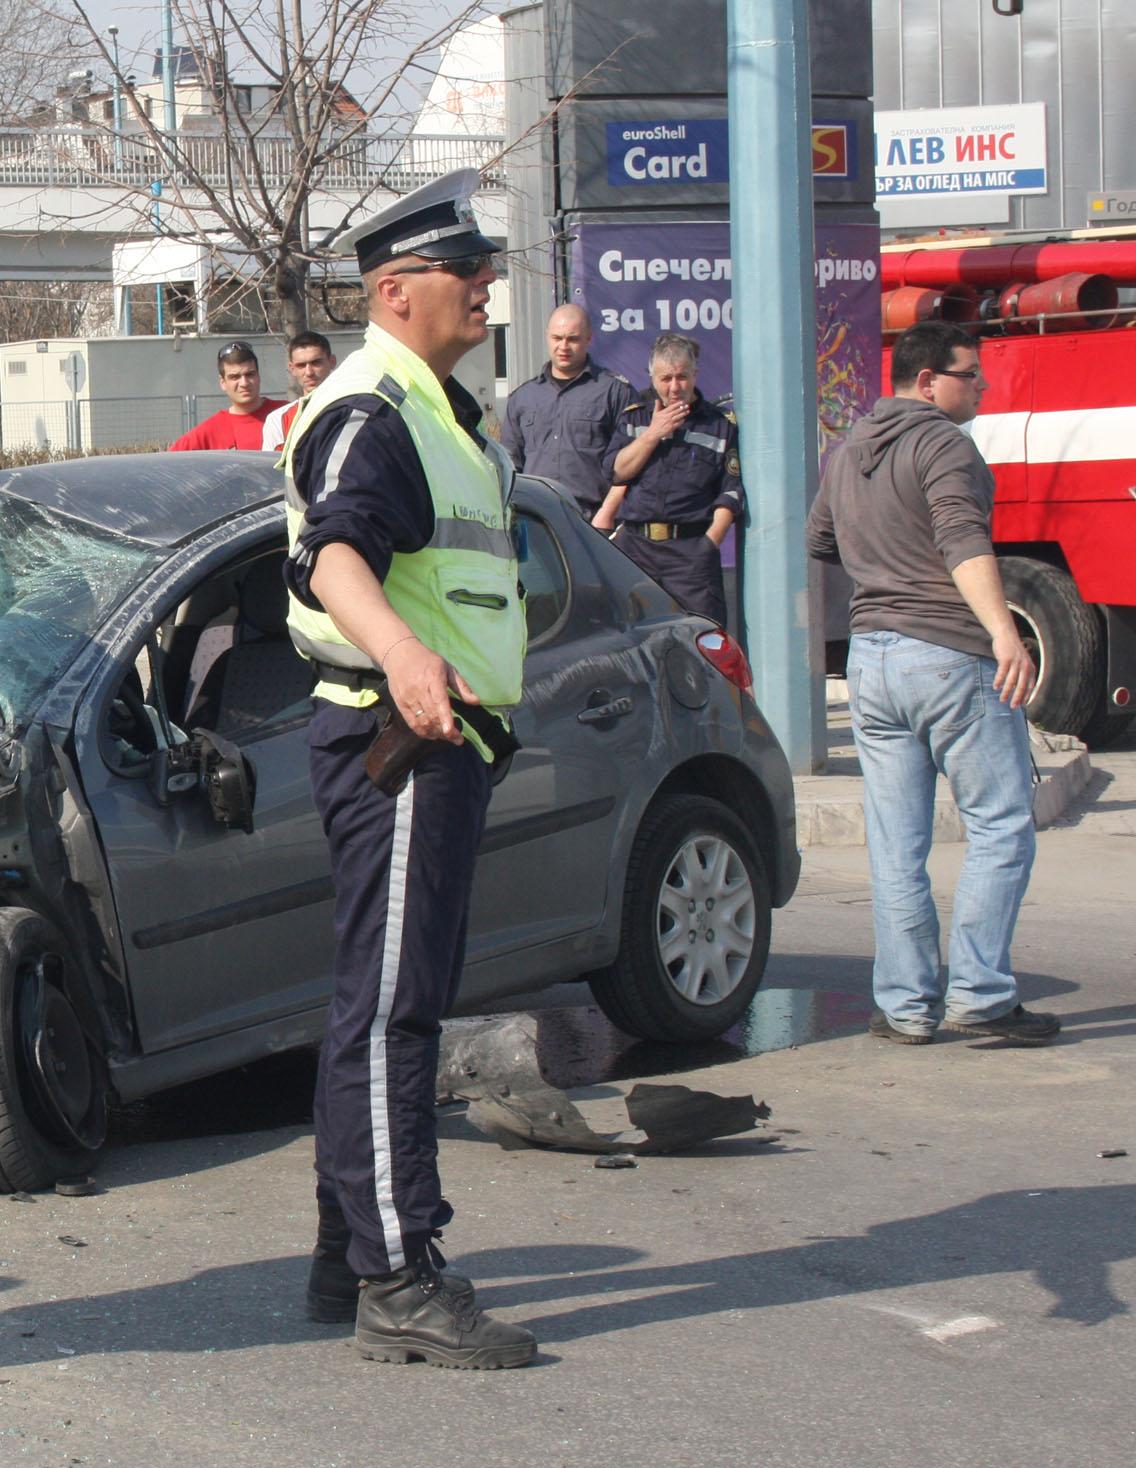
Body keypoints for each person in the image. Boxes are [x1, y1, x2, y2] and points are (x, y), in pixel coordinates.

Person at [281, 169, 537, 1370]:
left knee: (375, 1001)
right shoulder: (374, 408)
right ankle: (397, 1276)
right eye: (464, 272)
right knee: (394, 1012)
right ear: (394, 291)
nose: (485, 286)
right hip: (403, 743)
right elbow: (331, 558)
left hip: (434, 740)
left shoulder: (436, 405)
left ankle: (351, 1249)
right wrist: (404, 659)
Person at [807, 321, 1059, 1048]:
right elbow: (962, 539)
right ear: (926, 382)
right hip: (948, 654)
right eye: (969, 374)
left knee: (896, 844)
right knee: (1003, 825)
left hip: (872, 663)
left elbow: (818, 540)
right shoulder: (944, 444)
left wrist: (880, 562)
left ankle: (907, 1007)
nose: (982, 385)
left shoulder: (850, 447)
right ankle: (981, 995)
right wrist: (1006, 631)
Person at [593, 331, 743, 626]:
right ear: (652, 378)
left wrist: (709, 545)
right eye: (665, 379)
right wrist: (653, 433)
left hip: (691, 554)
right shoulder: (635, 418)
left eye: (682, 377)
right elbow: (615, 471)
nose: (675, 387)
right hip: (637, 550)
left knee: (703, 642)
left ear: (695, 375)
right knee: (633, 642)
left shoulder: (719, 425)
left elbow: (731, 492)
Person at [501, 303, 635, 519]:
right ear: (547, 337)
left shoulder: (614, 392)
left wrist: (608, 514)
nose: (563, 346)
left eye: (572, 339)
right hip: (536, 518)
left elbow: (630, 464)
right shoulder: (523, 397)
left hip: (592, 519)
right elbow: (509, 464)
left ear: (588, 339)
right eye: (557, 338)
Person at [171, 340, 285, 450]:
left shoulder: (287, 415)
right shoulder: (210, 431)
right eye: (234, 377)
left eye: (250, 374)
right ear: (223, 383)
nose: (244, 383)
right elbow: (167, 462)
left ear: (258, 376)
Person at [261, 331, 339, 451]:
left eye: (316, 363)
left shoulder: (354, 411)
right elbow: (271, 467)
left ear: (332, 361)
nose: (309, 372)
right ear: (292, 369)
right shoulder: (278, 420)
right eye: (301, 365)